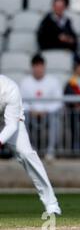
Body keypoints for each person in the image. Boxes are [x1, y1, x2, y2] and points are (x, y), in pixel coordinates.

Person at [0, 74, 61, 215]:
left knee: (26, 154)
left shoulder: (10, 89)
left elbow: (11, 126)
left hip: (10, 120)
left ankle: (51, 203)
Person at [20, 55, 63, 161]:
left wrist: (46, 110)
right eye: (36, 66)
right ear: (32, 67)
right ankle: (28, 150)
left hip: (48, 114)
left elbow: (58, 101)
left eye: (40, 66)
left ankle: (50, 151)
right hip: (30, 114)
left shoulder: (53, 81)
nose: (38, 69)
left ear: (44, 67)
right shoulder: (25, 82)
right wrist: (31, 110)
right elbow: (21, 101)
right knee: (21, 119)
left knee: (55, 120)